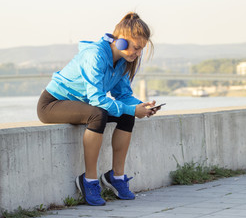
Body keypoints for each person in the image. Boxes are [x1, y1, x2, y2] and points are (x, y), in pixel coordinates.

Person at [37, 12, 160, 206]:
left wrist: (140, 107)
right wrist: (131, 108)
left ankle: (116, 177)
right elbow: (96, 99)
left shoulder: (122, 62)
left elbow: (123, 95)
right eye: (136, 48)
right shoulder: (95, 55)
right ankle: (89, 180)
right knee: (98, 114)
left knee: (127, 114)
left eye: (141, 49)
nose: (138, 54)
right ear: (120, 41)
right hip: (53, 104)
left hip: (83, 106)